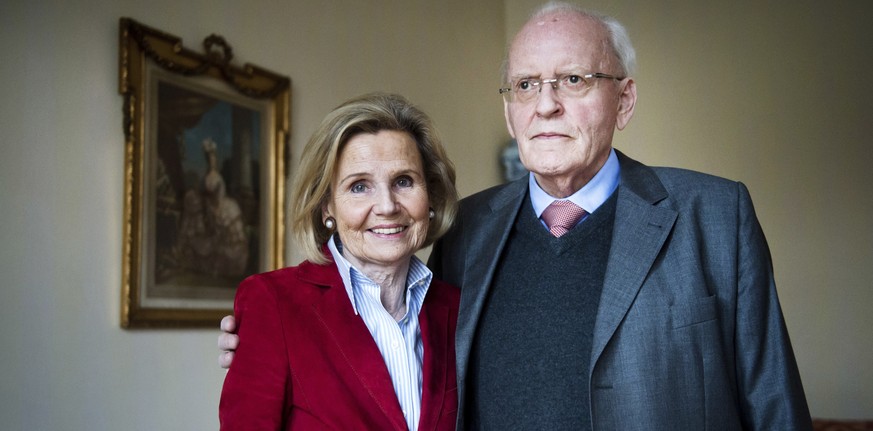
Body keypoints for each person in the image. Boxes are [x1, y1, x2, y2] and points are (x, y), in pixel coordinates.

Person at [220, 3, 812, 429]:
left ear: (624, 100)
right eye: (526, 85)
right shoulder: (467, 231)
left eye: (574, 79)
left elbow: (775, 407)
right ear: (510, 114)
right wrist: (266, 341)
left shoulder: (715, 214)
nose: (547, 103)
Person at [218, 92, 460, 430]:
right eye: (360, 186)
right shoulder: (274, 303)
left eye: (403, 181)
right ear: (326, 206)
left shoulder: (460, 309)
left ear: (430, 196)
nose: (387, 206)